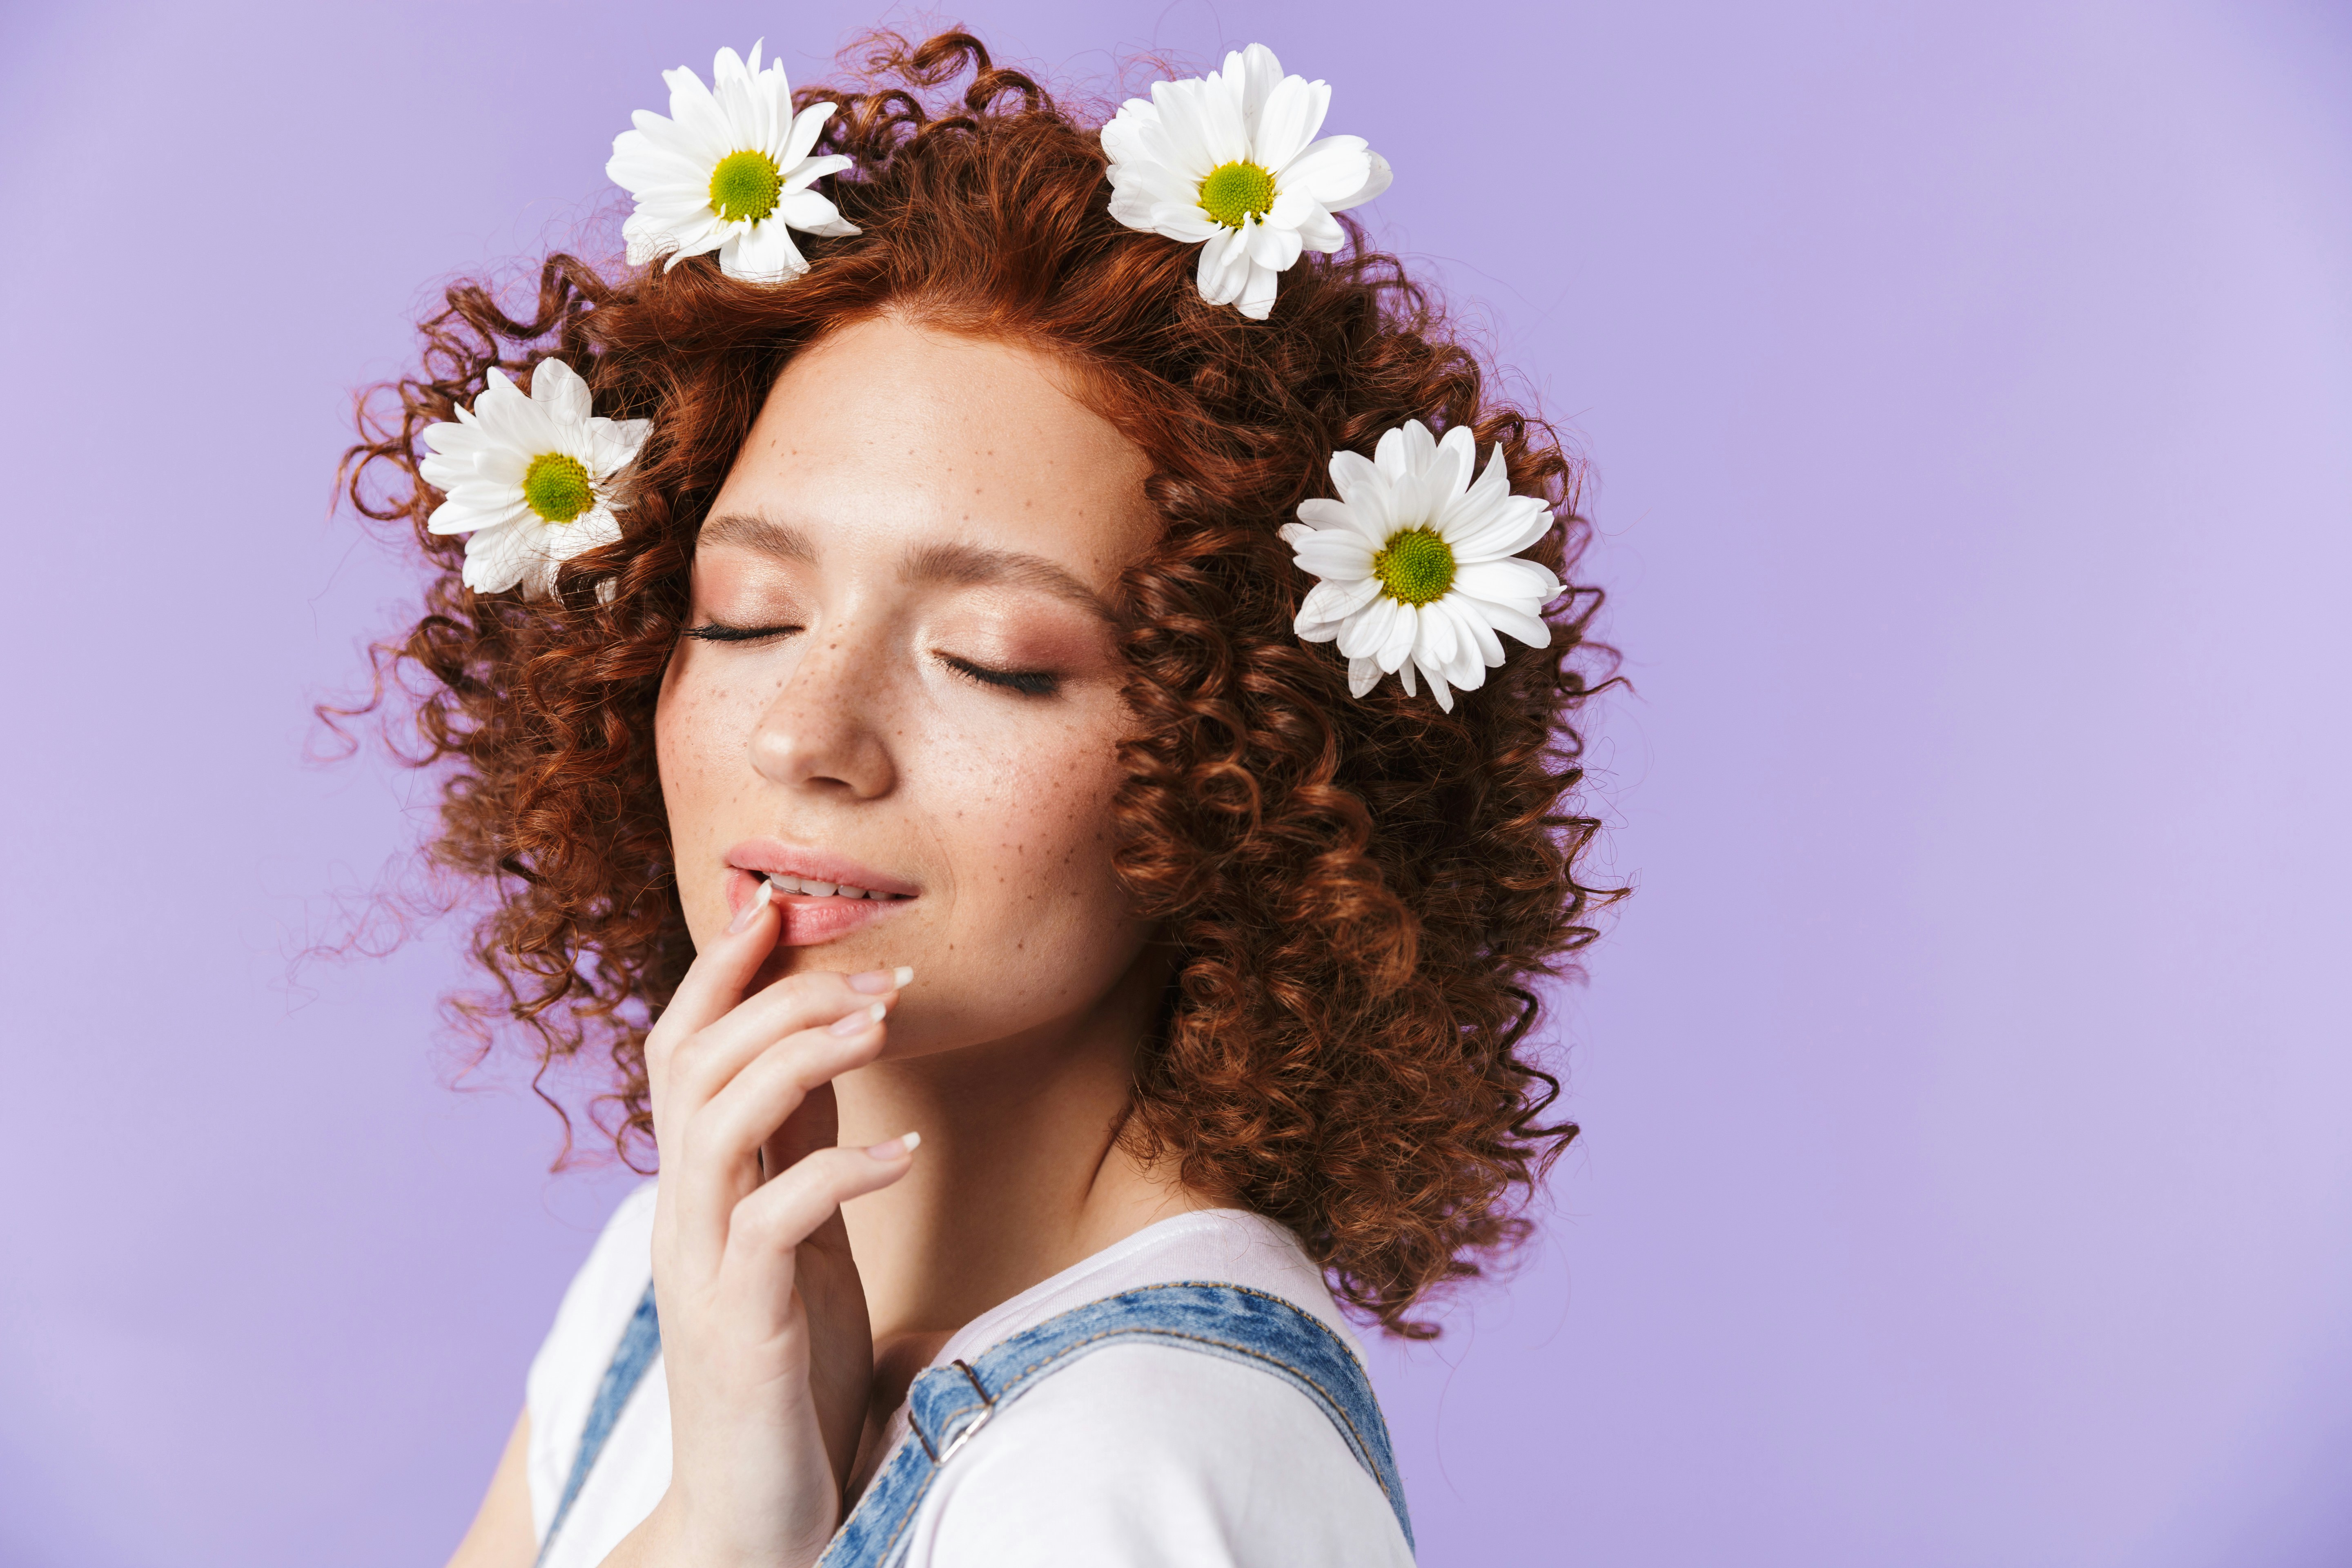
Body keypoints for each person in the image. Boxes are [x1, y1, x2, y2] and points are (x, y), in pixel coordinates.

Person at [340, 28, 1613, 1568]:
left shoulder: (1137, 1475)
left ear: (1254, 769)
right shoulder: (679, 1281)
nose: (808, 733)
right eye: (743, 617)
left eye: (994, 662)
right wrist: (723, 1514)